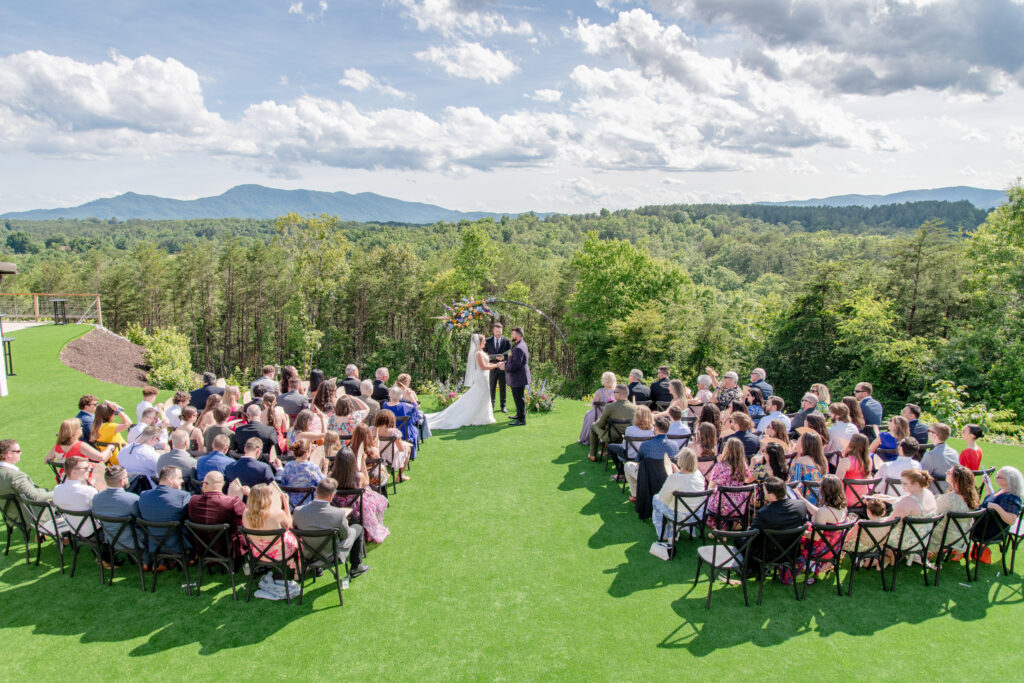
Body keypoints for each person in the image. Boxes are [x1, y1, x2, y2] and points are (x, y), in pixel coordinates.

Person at [293, 477, 368, 576]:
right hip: (331, 555)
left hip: (309, 555)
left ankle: (317, 568)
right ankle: (356, 566)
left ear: (316, 491)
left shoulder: (298, 511)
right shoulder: (338, 513)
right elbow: (345, 535)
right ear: (331, 495)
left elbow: (296, 531)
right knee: (357, 528)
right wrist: (344, 522)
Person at [747, 477, 811, 581]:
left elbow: (751, 535)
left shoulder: (764, 513)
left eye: (764, 491)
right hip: (792, 551)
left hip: (769, 554)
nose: (763, 493)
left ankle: (755, 570)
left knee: (741, 540)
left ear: (772, 495)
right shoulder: (801, 506)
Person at [330, 445, 390, 543]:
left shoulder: (331, 476)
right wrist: (362, 462)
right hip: (356, 511)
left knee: (370, 494)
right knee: (371, 495)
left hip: (337, 508)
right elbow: (367, 482)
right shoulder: (359, 477)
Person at [795, 474, 849, 580]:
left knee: (796, 533)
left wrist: (799, 531)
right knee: (807, 525)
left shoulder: (824, 512)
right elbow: (818, 513)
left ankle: (798, 566)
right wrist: (801, 498)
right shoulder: (843, 507)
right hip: (834, 548)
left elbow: (816, 537)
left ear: (824, 491)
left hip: (821, 550)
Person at [187, 470, 249, 560]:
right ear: (223, 484)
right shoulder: (232, 501)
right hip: (228, 550)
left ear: (204, 484)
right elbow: (251, 515)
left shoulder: (192, 500)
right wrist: (249, 494)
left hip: (203, 550)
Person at [651, 447, 705, 539]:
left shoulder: (675, 478)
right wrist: (677, 472)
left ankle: (664, 534)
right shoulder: (699, 475)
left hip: (679, 516)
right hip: (697, 515)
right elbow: (687, 480)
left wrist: (673, 475)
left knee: (656, 498)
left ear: (681, 460)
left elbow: (663, 499)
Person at [90, 466, 143, 560]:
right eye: (127, 475)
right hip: (135, 540)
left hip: (110, 540)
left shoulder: (96, 498)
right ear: (122, 481)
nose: (129, 477)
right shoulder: (132, 499)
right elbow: (141, 521)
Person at [928, 465, 980, 556]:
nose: (946, 472)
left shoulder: (951, 498)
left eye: (949, 472)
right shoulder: (970, 496)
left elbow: (934, 513)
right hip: (961, 536)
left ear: (956, 479)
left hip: (945, 536)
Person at [242, 483, 298, 568]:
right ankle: (297, 568)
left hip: (258, 553)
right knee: (298, 538)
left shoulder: (245, 513)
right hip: (279, 554)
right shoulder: (278, 514)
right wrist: (286, 504)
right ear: (267, 498)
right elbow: (290, 526)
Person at [138, 466, 193, 553]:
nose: (182, 481)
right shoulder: (183, 496)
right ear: (170, 480)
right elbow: (190, 517)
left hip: (152, 545)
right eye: (179, 478)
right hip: (178, 545)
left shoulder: (144, 495)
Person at [623, 415, 677, 502]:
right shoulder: (674, 445)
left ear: (655, 428)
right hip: (666, 477)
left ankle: (635, 495)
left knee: (627, 465)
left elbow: (638, 462)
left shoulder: (646, 445)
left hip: (648, 478)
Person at [46, 418, 113, 484]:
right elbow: (101, 457)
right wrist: (109, 447)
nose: (81, 428)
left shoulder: (56, 447)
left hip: (63, 479)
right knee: (102, 468)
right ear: (75, 431)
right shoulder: (80, 446)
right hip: (81, 479)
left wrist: (60, 457)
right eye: (80, 427)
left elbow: (46, 460)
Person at [888, 470, 937, 558]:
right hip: (922, 540)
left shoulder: (908, 501)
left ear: (916, 484)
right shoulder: (928, 493)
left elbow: (890, 523)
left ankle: (883, 555)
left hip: (903, 541)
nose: (902, 486)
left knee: (868, 529)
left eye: (905, 484)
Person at [971, 466, 1024, 545]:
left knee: (957, 522)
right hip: (983, 525)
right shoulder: (1003, 491)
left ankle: (958, 550)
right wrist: (987, 484)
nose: (996, 477)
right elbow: (991, 500)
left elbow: (1011, 520)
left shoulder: (1011, 499)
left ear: (1008, 481)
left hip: (988, 532)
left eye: (999, 477)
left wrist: (997, 507)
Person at [588, 384, 637, 462]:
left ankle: (592, 454)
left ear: (619, 394)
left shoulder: (610, 406)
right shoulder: (635, 408)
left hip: (611, 437)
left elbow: (601, 425)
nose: (613, 393)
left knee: (594, 425)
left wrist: (598, 421)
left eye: (614, 392)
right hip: (627, 437)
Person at [52, 456, 99, 537]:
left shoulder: (57, 489)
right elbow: (101, 510)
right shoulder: (89, 491)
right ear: (73, 472)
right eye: (85, 468)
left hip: (73, 529)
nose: (89, 470)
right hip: (93, 530)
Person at [706, 439, 749, 529]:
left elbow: (710, 488)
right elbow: (747, 480)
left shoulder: (720, 466)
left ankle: (719, 528)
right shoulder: (743, 465)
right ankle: (733, 524)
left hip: (721, 507)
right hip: (739, 506)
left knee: (708, 497)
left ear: (727, 450)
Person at [607, 405, 656, 480]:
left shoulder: (630, 429)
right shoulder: (653, 430)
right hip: (646, 456)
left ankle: (621, 473)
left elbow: (624, 447)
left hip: (631, 455)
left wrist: (625, 439)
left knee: (610, 446)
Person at [280, 441, 325, 507]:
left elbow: (283, 484)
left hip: (290, 507)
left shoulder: (288, 466)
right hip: (309, 508)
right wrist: (325, 469)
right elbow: (324, 484)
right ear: (307, 452)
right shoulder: (312, 467)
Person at [835, 433, 874, 507]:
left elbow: (836, 483)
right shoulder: (868, 462)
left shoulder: (846, 462)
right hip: (863, 499)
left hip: (845, 500)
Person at [579, 371, 617, 445]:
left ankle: (588, 438)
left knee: (588, 414)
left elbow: (594, 405)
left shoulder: (599, 391)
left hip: (599, 415)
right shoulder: (617, 391)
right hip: (612, 415)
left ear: (603, 380)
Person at [372, 410, 410, 482]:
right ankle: (401, 475)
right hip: (391, 456)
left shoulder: (371, 429)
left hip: (376, 454)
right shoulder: (394, 432)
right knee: (408, 448)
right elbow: (401, 449)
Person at [504, 327, 531, 426]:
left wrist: (505, 367)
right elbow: (512, 359)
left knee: (519, 398)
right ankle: (519, 415)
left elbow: (516, 364)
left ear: (518, 335)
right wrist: (506, 362)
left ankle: (521, 420)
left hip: (519, 377)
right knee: (517, 397)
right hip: (518, 377)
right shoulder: (519, 345)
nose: (512, 336)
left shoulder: (519, 347)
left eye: (513, 334)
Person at [790, 432, 827, 504]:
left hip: (804, 499)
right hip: (819, 500)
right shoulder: (824, 460)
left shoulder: (801, 460)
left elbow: (795, 482)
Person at [484, 322, 512, 413]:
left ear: (502, 331)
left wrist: (504, 358)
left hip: (503, 368)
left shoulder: (507, 341)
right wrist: (493, 357)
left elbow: (511, 355)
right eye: (496, 331)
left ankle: (503, 406)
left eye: (500, 331)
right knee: (491, 387)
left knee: (502, 387)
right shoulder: (487, 341)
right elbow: (484, 355)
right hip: (491, 367)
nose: (498, 333)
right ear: (493, 331)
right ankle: (491, 406)